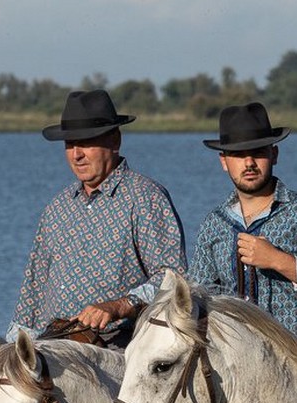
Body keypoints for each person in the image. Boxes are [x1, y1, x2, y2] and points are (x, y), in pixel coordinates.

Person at [12, 88, 186, 348]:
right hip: (53, 348)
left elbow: (174, 278)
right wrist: (12, 350)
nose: (76, 154)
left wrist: (119, 306)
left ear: (115, 141)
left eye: (86, 142)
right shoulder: (58, 207)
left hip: (118, 351)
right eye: (70, 144)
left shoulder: (145, 197)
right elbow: (33, 289)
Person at [189, 102, 297, 348]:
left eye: (258, 152)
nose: (249, 163)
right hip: (236, 368)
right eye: (238, 155)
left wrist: (280, 261)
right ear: (224, 161)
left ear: (274, 154)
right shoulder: (215, 224)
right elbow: (200, 294)